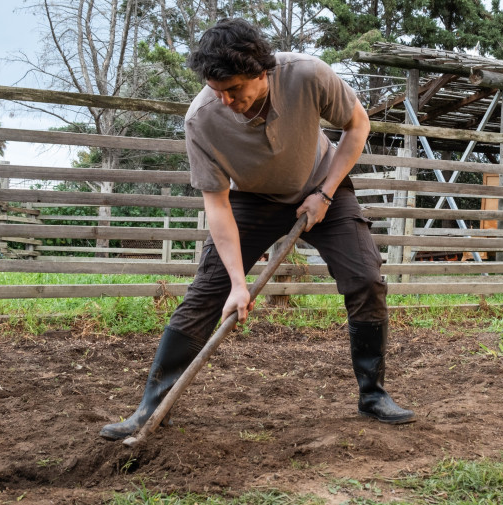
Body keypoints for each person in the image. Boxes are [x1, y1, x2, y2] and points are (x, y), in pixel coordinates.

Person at [99, 18, 416, 441]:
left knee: (365, 278)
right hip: (253, 199)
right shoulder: (202, 122)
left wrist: (324, 193)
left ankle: (373, 395)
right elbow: (217, 202)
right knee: (208, 292)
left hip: (322, 186)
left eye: (235, 89)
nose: (227, 100)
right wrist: (237, 283)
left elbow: (357, 125)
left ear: (262, 72)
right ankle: (151, 407)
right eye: (218, 91)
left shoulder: (308, 74)